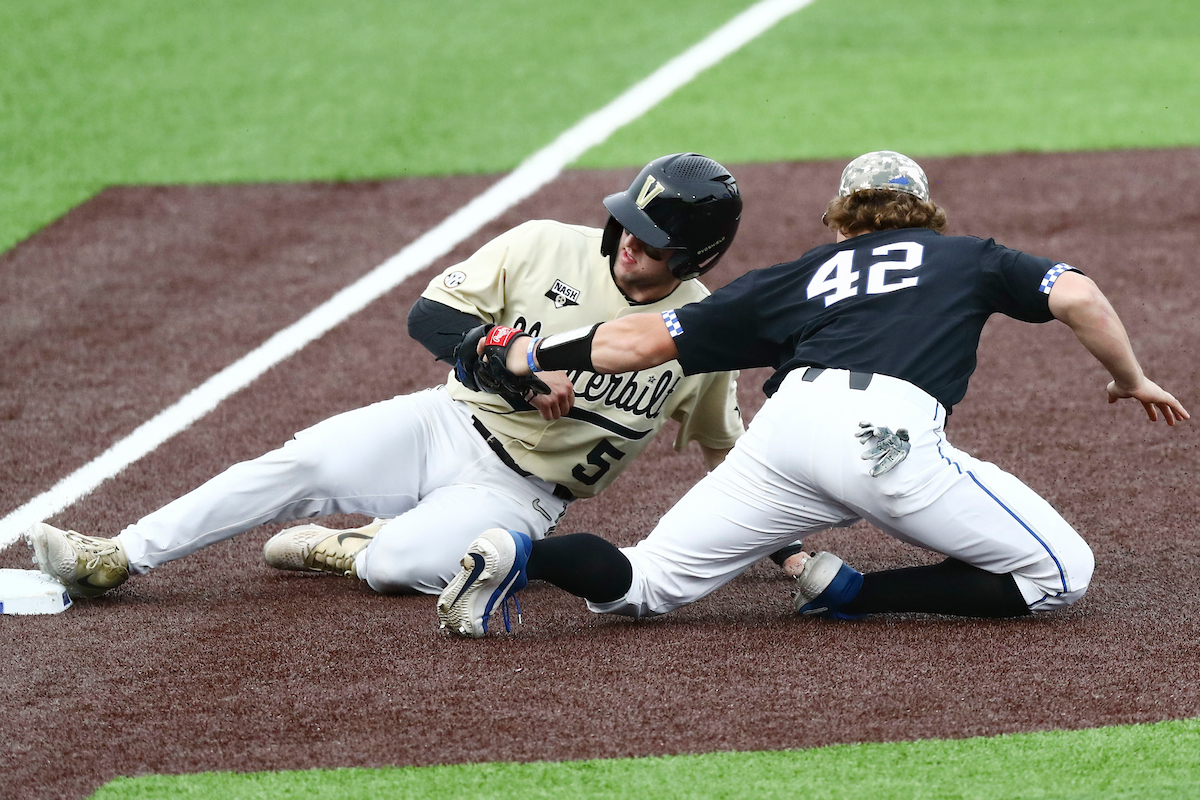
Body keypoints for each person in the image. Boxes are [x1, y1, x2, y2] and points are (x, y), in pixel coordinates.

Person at [436, 150, 1190, 637]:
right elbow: (1078, 296)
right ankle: (853, 593)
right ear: (924, 211)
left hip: (784, 434)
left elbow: (637, 341)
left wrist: (529, 348)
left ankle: (519, 555)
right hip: (881, 439)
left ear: (841, 217)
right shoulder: (971, 257)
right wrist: (1131, 379)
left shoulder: (791, 279)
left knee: (646, 583)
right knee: (1061, 575)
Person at [27, 152, 797, 601]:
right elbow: (430, 316)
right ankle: (119, 554)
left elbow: (728, 454)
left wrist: (782, 549)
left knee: (400, 567)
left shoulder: (698, 334)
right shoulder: (542, 245)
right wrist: (512, 371)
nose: (629, 240)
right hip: (447, 420)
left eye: (653, 238)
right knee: (298, 462)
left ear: (694, 256)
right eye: (629, 221)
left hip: (524, 493)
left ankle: (356, 547)